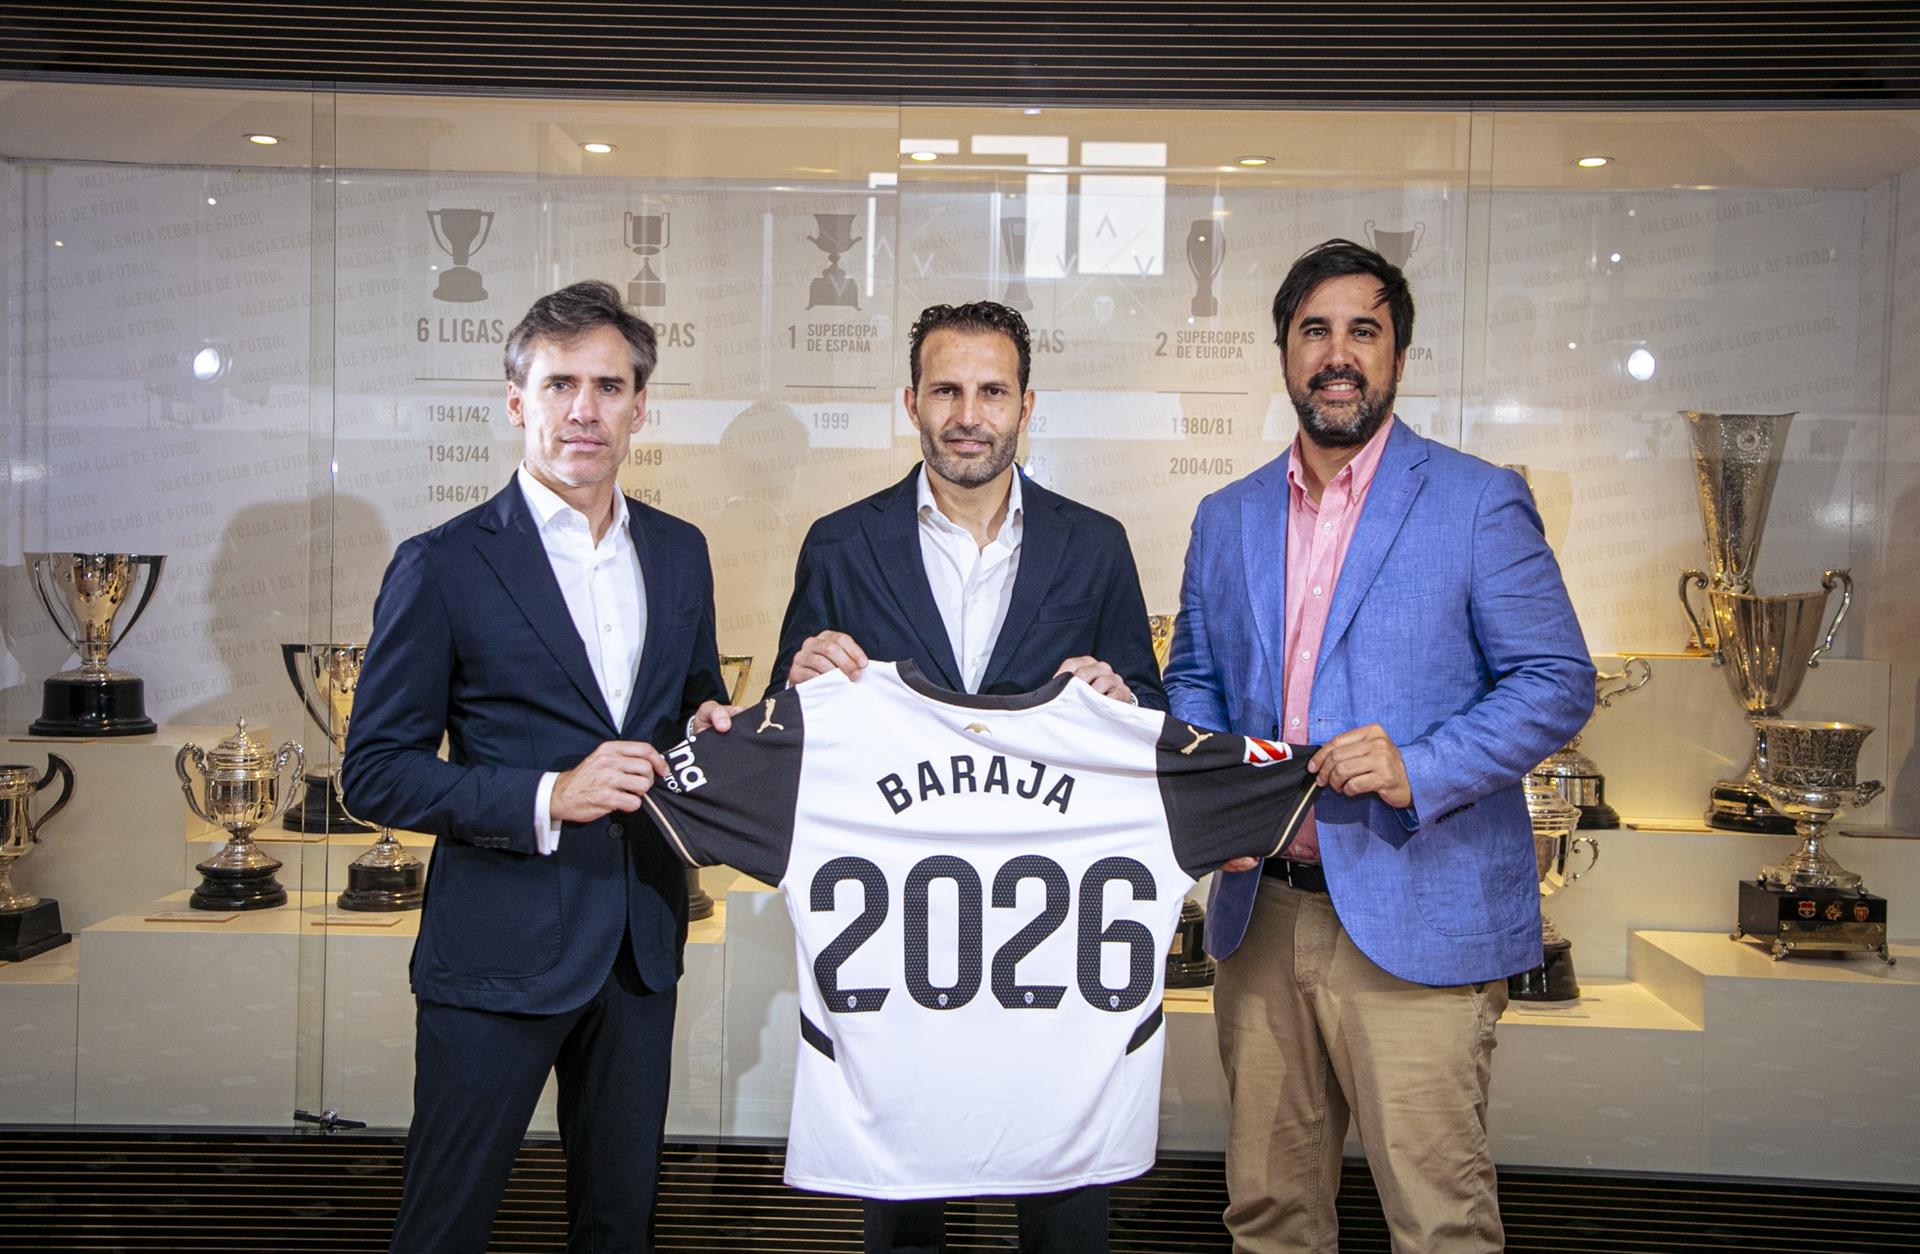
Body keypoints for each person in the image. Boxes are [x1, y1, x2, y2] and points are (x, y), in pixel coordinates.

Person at [1162, 240, 1594, 1253]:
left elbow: (1556, 679)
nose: (1338, 354)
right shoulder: (1226, 518)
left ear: (1398, 355)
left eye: (1365, 331)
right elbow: (1194, 684)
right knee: (1269, 1218)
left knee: (1438, 1224)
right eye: (1315, 330)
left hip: (1421, 915)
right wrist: (1220, 808)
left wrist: (1420, 765)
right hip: (1260, 918)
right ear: (1284, 352)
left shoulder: (1477, 500)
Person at [705, 299, 1163, 1254]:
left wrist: (1121, 698)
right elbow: (793, 732)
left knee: (1064, 1201)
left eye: (992, 392)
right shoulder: (842, 543)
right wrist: (794, 684)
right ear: (910, 402)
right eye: (946, 390)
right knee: (904, 1197)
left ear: (1026, 405)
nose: (968, 415)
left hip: (1054, 939)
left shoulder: (1095, 544)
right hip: (899, 941)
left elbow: (1147, 725)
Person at [342, 280, 729, 1254]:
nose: (584, 409)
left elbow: (689, 712)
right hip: (495, 955)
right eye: (560, 385)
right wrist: (551, 795)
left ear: (640, 408)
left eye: (609, 386)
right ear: (517, 400)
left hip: (640, 948)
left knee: (618, 1228)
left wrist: (718, 728)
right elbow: (375, 771)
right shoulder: (441, 564)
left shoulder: (681, 554)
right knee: (444, 1227)